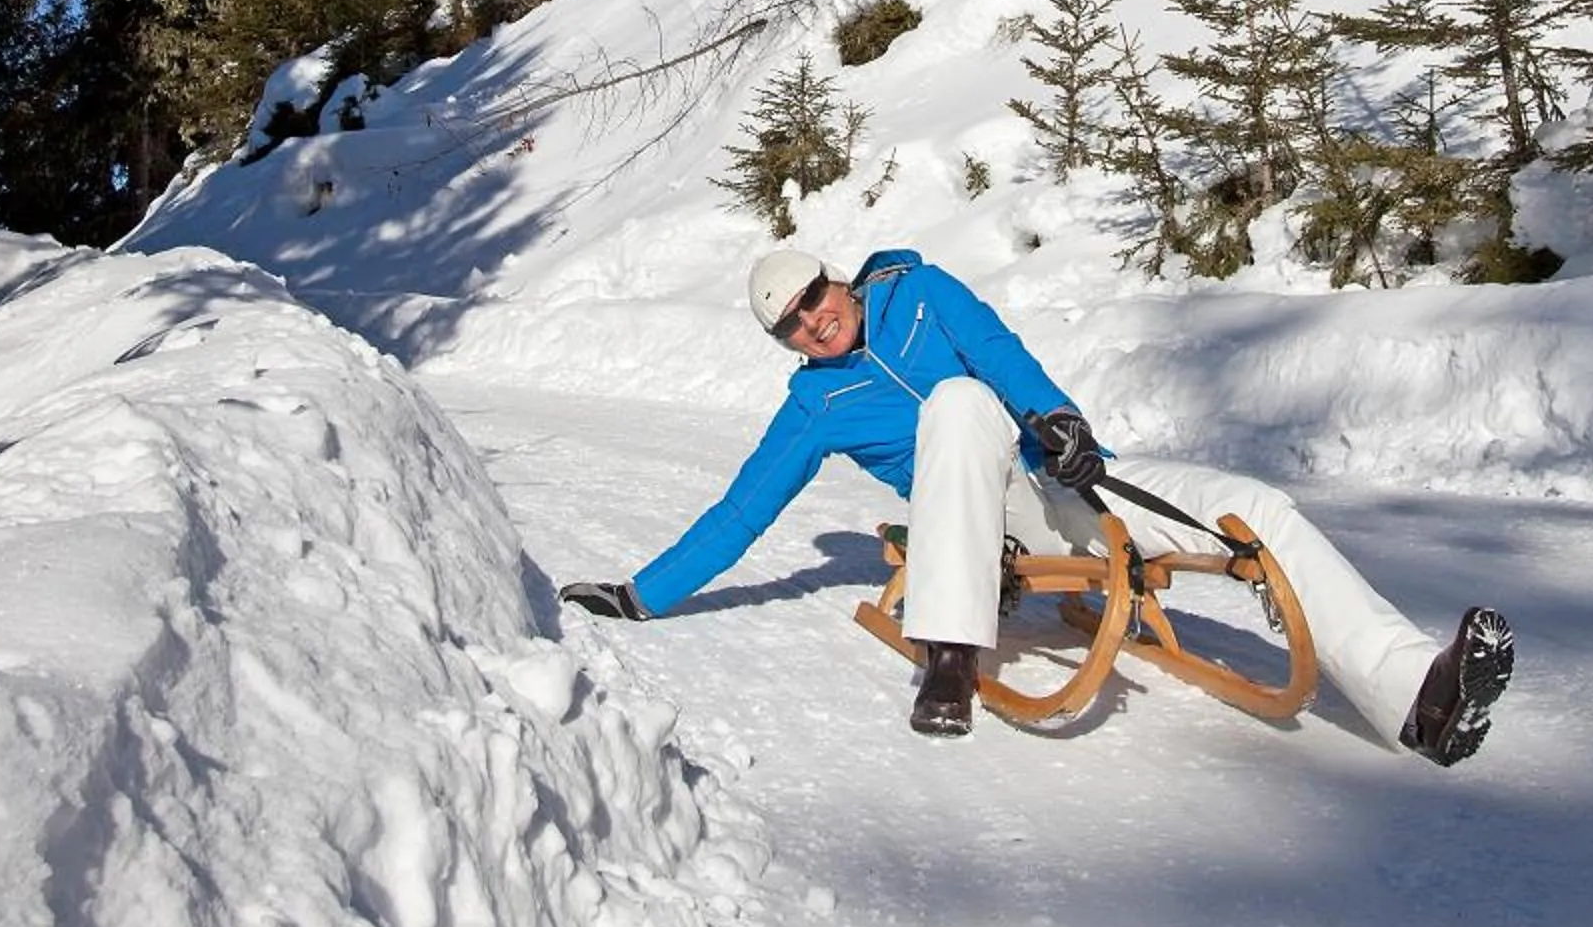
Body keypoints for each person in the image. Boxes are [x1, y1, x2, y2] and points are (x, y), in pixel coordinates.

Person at [560, 245, 1513, 754]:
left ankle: (1416, 697)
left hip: (1059, 481)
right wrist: (644, 593)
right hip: (984, 523)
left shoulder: (918, 292)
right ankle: (950, 653)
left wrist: (1059, 419)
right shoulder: (813, 407)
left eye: (814, 298)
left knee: (1249, 506)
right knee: (958, 403)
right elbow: (742, 510)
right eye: (793, 327)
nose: (815, 322)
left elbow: (1000, 351)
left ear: (834, 277)